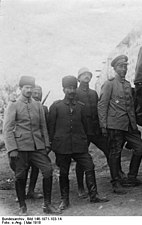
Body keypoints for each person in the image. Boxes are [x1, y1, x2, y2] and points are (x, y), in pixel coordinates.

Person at [48, 75, 109, 211]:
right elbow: (50, 127)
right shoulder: (56, 107)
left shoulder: (81, 107)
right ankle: (65, 200)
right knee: (64, 172)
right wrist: (53, 144)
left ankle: (94, 195)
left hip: (79, 145)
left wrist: (84, 141)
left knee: (89, 165)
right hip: (62, 146)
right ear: (63, 89)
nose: (71, 91)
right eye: (69, 88)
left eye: (74, 88)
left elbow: (86, 127)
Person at [3, 76, 60, 216]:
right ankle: (22, 207)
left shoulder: (38, 105)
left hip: (37, 147)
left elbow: (43, 127)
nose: (29, 90)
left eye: (31, 87)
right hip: (20, 147)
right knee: (20, 176)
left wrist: (46, 145)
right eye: (26, 88)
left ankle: (47, 205)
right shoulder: (14, 104)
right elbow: (7, 129)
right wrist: (12, 149)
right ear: (21, 88)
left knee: (47, 171)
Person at [98, 55, 142, 195]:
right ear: (114, 68)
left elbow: (130, 108)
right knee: (115, 153)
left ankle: (131, 177)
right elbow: (102, 105)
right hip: (114, 125)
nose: (124, 69)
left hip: (129, 126)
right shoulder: (109, 84)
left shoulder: (127, 85)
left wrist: (134, 126)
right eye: (121, 66)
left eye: (125, 66)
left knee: (140, 147)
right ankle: (116, 182)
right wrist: (103, 125)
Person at [74, 67, 111, 199]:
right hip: (82, 131)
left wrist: (102, 126)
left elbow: (99, 109)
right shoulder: (75, 93)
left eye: (88, 75)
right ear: (79, 78)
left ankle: (115, 179)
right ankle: (80, 186)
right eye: (83, 75)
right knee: (81, 159)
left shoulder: (93, 93)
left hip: (95, 129)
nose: (87, 77)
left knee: (109, 150)